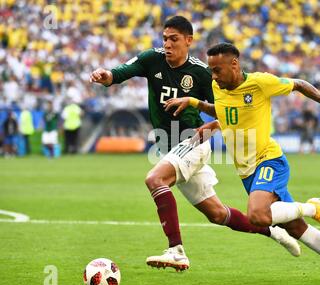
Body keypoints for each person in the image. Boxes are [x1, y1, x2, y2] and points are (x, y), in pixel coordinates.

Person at [90, 16, 300, 271]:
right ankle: (273, 232)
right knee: (218, 214)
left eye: (174, 39)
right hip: (168, 146)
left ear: (188, 41)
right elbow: (120, 73)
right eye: (165, 38)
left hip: (192, 140)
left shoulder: (202, 73)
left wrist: (211, 127)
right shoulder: (151, 59)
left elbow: (227, 112)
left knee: (155, 180)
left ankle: (176, 250)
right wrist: (106, 75)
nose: (167, 44)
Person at [164, 43, 320, 285]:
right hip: (247, 173)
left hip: (269, 160)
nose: (213, 76)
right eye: (211, 70)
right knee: (297, 229)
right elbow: (224, 111)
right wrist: (198, 107)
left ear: (234, 64)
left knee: (257, 216)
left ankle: (311, 207)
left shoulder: (260, 83)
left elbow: (299, 84)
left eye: (217, 70)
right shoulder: (217, 85)